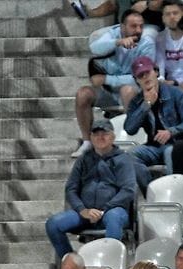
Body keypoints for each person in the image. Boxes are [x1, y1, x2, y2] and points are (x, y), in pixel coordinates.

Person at [46, 119, 137, 262]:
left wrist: (105, 209)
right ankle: (72, 264)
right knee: (53, 224)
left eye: (104, 134)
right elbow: (71, 188)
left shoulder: (124, 159)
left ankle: (109, 267)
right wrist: (82, 210)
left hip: (112, 211)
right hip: (85, 213)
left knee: (114, 218)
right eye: (96, 134)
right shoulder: (83, 160)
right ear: (91, 138)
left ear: (112, 137)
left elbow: (128, 190)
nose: (100, 137)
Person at [73, 10, 154, 158]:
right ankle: (86, 142)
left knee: (127, 90)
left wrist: (107, 79)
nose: (138, 30)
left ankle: (132, 138)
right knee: (83, 94)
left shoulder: (146, 43)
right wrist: (117, 43)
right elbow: (94, 48)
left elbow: (143, 77)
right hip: (108, 92)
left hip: (133, 91)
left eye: (141, 26)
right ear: (122, 26)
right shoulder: (113, 34)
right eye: (133, 26)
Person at [124, 56, 183, 180]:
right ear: (136, 80)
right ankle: (151, 193)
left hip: (177, 144)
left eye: (148, 72)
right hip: (153, 147)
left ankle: (173, 193)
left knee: (170, 152)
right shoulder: (137, 101)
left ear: (156, 72)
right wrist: (146, 105)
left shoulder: (175, 93)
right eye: (141, 75)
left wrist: (171, 132)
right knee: (130, 155)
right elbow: (129, 128)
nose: (145, 77)